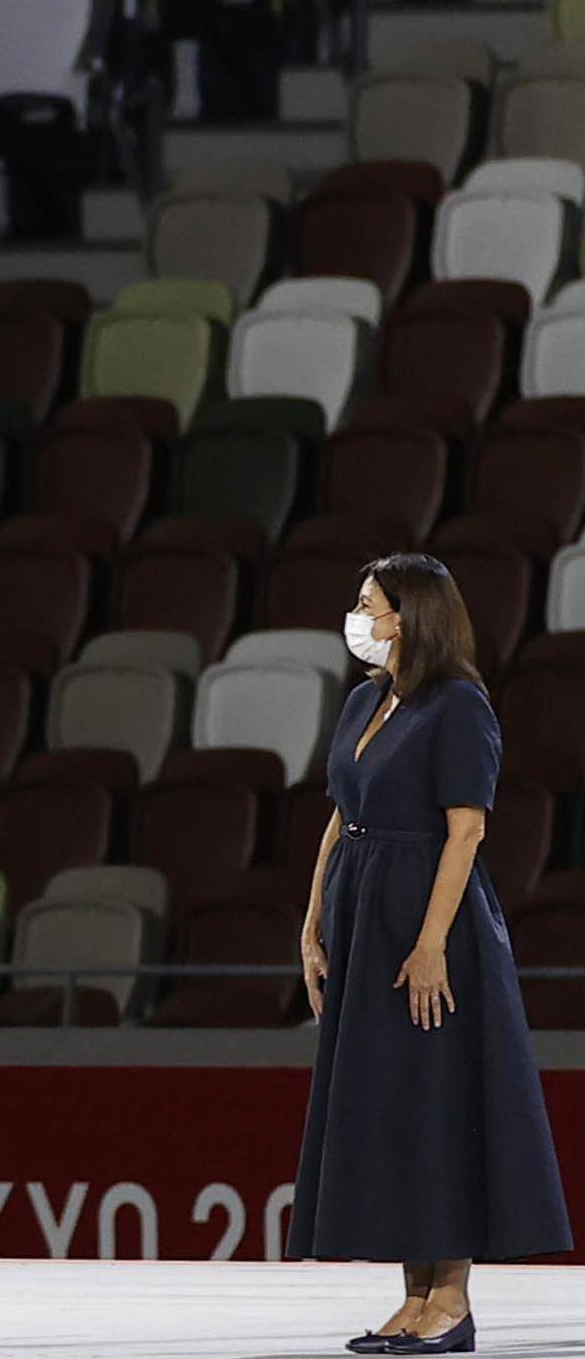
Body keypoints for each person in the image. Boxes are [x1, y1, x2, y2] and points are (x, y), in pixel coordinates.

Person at [292, 554, 570, 1355]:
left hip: (429, 915)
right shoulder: (365, 701)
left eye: (368, 603)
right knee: (390, 1103)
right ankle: (413, 1296)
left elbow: (468, 830)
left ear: (410, 616)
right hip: (363, 907)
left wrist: (430, 943)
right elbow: (340, 816)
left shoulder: (459, 706)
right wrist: (313, 920)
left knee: (436, 1100)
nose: (357, 616)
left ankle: (451, 1298)